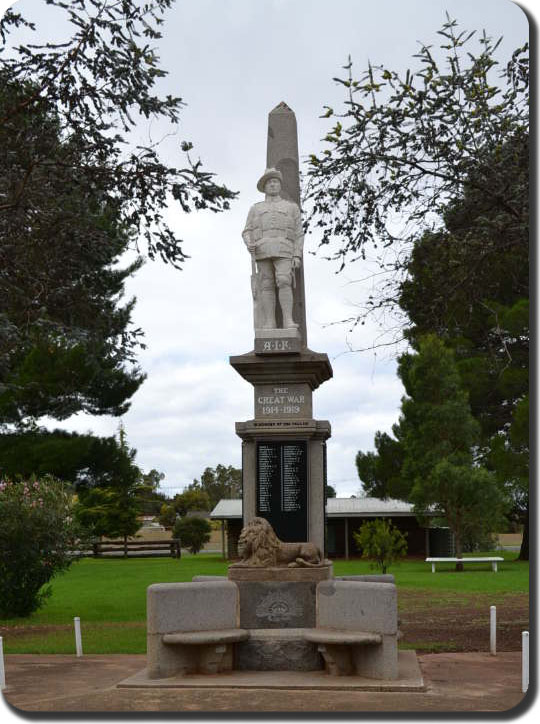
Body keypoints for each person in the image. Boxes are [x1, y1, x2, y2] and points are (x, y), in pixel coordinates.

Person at [242, 168, 303, 330]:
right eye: (269, 182)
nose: (273, 185)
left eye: (275, 182)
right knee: (266, 285)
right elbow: (247, 230)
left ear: (280, 185)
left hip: (284, 249)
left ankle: (288, 320)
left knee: (284, 281)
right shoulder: (255, 208)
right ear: (264, 187)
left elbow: (298, 233)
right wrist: (249, 243)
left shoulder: (291, 207)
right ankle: (270, 322)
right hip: (262, 250)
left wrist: (297, 255)